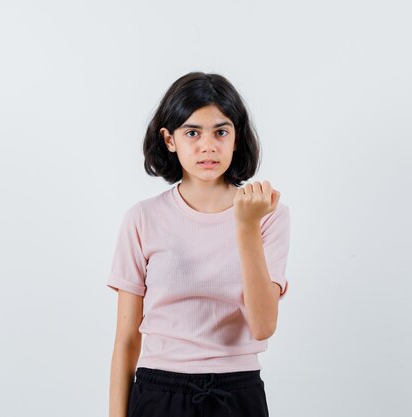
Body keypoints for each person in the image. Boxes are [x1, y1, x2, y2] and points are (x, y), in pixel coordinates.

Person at [106, 71, 291, 417]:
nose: (208, 145)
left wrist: (247, 225)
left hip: (237, 393)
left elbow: (263, 325)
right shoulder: (142, 218)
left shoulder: (269, 216)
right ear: (169, 139)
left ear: (237, 138)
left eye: (221, 131)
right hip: (160, 393)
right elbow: (127, 340)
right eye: (193, 132)